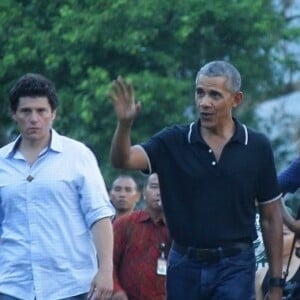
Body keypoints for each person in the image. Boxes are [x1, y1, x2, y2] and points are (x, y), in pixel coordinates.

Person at [109, 60, 283, 300]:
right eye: (199, 93)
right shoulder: (173, 141)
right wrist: (124, 124)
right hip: (185, 264)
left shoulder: (256, 146)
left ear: (236, 99)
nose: (204, 103)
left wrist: (275, 285)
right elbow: (123, 159)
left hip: (235, 265)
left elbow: (271, 217)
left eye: (214, 95)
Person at [0, 73, 115, 300]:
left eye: (41, 111)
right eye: (26, 111)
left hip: (69, 284)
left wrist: (106, 270)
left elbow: (99, 216)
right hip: (13, 285)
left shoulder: (77, 156)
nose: (34, 118)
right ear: (14, 114)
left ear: (53, 113)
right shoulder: (1, 162)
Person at [112, 173, 171, 300]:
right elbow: (109, 262)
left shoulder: (179, 229)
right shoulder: (125, 224)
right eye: (154, 187)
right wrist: (116, 290)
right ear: (144, 193)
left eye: (165, 187)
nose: (159, 192)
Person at [256, 225, 300, 300]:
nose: (276, 238)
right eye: (272, 233)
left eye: (284, 234)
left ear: (298, 242)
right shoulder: (261, 275)